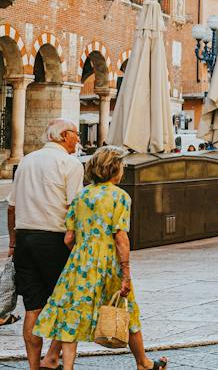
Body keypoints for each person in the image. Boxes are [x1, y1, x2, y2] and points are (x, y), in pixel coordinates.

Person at [33, 146, 167, 370]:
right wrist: (125, 272)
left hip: (80, 261)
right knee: (126, 309)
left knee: (72, 311)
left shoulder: (82, 195)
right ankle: (143, 363)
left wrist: (84, 252)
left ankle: (58, 361)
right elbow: (120, 238)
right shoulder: (119, 197)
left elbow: (68, 238)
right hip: (109, 263)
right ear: (115, 169)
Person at [7, 119, 84, 370]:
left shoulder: (27, 161)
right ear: (64, 135)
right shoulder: (70, 164)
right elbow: (75, 208)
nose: (79, 139)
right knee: (65, 303)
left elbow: (12, 206)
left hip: (25, 239)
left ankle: (36, 365)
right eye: (77, 134)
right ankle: (53, 358)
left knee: (33, 306)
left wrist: (13, 242)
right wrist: (76, 243)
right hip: (56, 240)